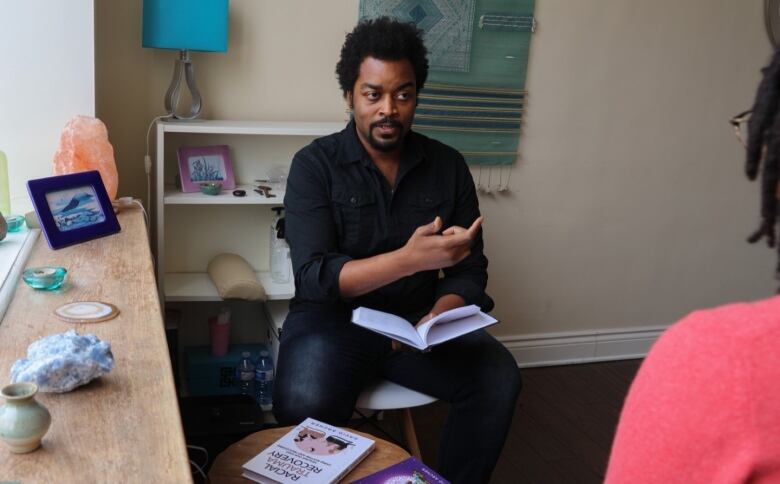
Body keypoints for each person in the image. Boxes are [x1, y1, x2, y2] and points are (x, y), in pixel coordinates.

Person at [273, 17, 521, 484]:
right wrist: (411, 260)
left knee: (498, 377)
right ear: (350, 95)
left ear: (416, 96)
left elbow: (471, 272)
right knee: (302, 404)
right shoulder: (315, 166)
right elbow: (314, 278)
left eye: (403, 94)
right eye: (373, 94)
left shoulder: (447, 166)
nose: (389, 109)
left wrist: (439, 316)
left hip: (416, 326)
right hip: (332, 323)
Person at [604, 49, 780, 483]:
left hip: (439, 333)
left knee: (498, 382)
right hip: (401, 345)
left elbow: (474, 270)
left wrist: (446, 303)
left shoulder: (720, 366)